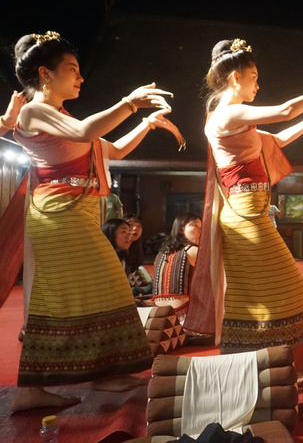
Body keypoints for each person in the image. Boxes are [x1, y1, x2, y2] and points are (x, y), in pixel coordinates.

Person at [10, 31, 180, 411]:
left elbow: (112, 147)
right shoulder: (33, 110)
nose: (80, 77)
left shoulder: (60, 117)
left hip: (76, 212)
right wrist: (128, 104)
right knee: (97, 289)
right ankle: (79, 379)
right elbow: (89, 131)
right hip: (57, 215)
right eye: (72, 69)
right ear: (45, 74)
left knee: (88, 293)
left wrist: (147, 124)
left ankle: (91, 376)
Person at [195, 38, 303, 369]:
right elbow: (284, 110)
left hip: (249, 213)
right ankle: (265, 361)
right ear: (235, 78)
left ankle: (262, 362)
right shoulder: (228, 114)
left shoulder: (236, 119)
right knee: (280, 283)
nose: (258, 84)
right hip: (244, 217)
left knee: (259, 291)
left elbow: (276, 139)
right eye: (254, 76)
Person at [153, 212, 202, 299]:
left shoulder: (161, 252)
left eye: (201, 227)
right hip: (182, 310)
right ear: (180, 230)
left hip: (158, 307)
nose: (200, 231)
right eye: (195, 225)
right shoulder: (193, 251)